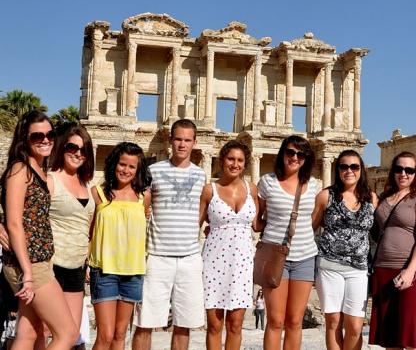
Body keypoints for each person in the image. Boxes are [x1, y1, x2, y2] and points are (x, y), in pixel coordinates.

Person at [0, 124, 96, 349]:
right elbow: (19, 209)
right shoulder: (49, 179)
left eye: (83, 149)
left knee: (60, 335)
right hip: (51, 264)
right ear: (62, 148)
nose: (77, 153)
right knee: (38, 332)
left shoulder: (87, 184)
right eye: (72, 147)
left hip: (75, 267)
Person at [132, 119, 206, 350]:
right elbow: (142, 208)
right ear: (170, 140)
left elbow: (202, 212)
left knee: (184, 324)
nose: (182, 145)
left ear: (194, 142)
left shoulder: (201, 175)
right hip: (157, 256)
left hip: (190, 257)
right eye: (178, 139)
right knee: (145, 322)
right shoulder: (153, 171)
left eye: (187, 140)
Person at [257, 135, 320, 350]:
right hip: (274, 256)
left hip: (305, 256)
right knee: (275, 320)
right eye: (290, 152)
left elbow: (315, 219)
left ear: (306, 158)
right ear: (283, 153)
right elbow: (257, 219)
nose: (295, 157)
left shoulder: (313, 185)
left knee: (295, 321)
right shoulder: (267, 182)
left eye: (300, 154)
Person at [311, 149, 378, 350]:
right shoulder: (326, 196)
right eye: (344, 166)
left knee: (356, 326)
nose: (349, 170)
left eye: (354, 166)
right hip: (329, 266)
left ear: (361, 170)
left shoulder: (372, 199)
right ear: (338, 169)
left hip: (358, 268)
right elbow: (311, 228)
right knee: (333, 321)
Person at [88, 142, 151, 350]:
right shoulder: (97, 193)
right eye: (122, 164)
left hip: (133, 272)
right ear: (115, 164)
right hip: (104, 271)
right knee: (105, 335)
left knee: (120, 334)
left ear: (138, 169)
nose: (126, 170)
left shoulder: (144, 197)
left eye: (132, 167)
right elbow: (90, 231)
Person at [368, 151, 416, 350]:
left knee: (412, 336)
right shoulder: (382, 198)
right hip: (383, 268)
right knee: (390, 337)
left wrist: (410, 271)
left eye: (409, 170)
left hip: (415, 270)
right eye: (398, 169)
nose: (403, 174)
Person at [199, 140, 258, 350]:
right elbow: (196, 224)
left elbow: (258, 224)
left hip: (242, 263)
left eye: (240, 160)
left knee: (236, 324)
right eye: (231, 159)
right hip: (214, 261)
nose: (235, 164)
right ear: (222, 160)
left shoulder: (252, 189)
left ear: (245, 163)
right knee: (214, 325)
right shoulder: (209, 190)